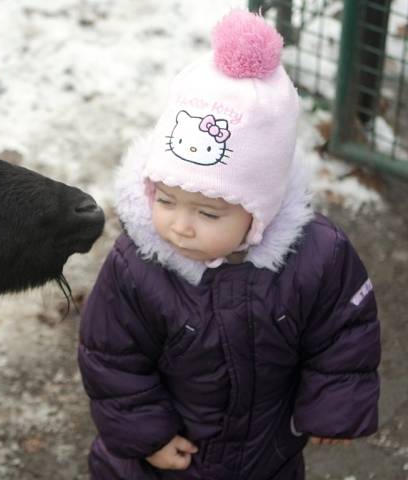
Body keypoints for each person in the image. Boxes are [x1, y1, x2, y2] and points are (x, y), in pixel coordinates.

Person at [77, 9, 380, 480]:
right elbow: (112, 360)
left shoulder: (317, 257)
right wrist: (148, 436)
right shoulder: (138, 264)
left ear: (259, 211)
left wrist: (335, 401)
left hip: (266, 457)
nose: (179, 226)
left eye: (208, 213)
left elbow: (343, 332)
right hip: (164, 464)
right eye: (167, 199)